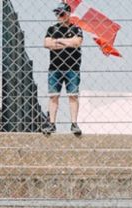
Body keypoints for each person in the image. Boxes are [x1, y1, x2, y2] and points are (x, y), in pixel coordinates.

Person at [44, 3, 84, 137]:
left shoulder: (77, 28)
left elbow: (77, 42)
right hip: (55, 67)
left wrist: (58, 41)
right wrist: (67, 42)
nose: (59, 17)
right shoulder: (52, 29)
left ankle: (74, 123)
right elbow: (47, 44)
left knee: (73, 95)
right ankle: (51, 123)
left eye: (61, 14)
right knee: (53, 96)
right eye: (57, 14)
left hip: (72, 67)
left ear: (68, 14)